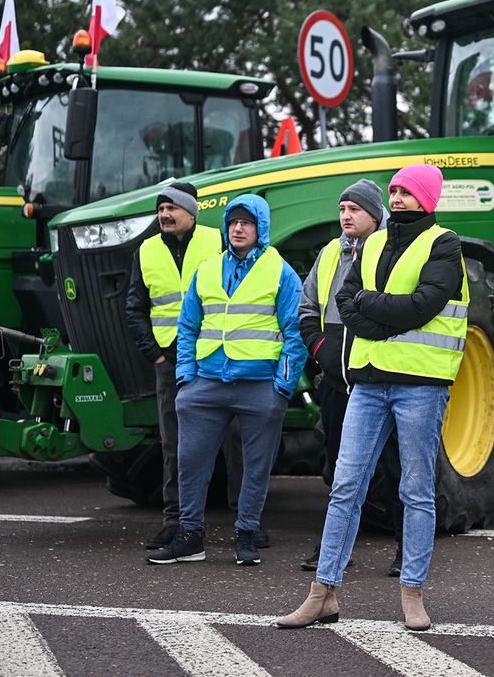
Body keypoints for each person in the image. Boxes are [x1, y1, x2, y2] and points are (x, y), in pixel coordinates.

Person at [276, 164, 466, 632]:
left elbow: (424, 304)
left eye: (407, 192)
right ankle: (323, 594)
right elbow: (345, 299)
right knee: (345, 487)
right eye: (395, 191)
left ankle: (412, 595)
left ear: (427, 199)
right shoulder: (372, 242)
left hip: (420, 383)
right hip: (368, 381)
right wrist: (379, 316)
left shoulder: (445, 243)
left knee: (416, 490)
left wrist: (373, 313)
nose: (397, 197)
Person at [146, 194, 305, 566]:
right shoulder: (208, 269)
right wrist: (186, 379)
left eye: (246, 222)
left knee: (255, 466)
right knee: (190, 462)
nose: (237, 228)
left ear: (260, 228)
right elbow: (187, 328)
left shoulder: (280, 271)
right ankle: (190, 536)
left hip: (260, 386)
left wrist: (281, 388)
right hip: (206, 384)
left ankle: (246, 533)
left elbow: (295, 334)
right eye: (233, 222)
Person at [124, 182, 254, 551]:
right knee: (174, 443)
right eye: (161, 208)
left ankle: (245, 522)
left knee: (234, 439)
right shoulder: (147, 250)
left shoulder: (217, 240)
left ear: (191, 212)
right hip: (170, 360)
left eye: (172, 208)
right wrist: (155, 353)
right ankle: (175, 521)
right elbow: (135, 307)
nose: (164, 214)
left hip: (215, 355)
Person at [296, 179, 404, 576]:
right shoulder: (329, 253)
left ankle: (404, 548)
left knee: (395, 468)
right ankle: (335, 548)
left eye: (355, 209)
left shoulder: (394, 250)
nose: (346, 216)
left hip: (382, 379)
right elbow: (307, 309)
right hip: (337, 380)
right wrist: (321, 351)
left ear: (376, 215)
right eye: (342, 209)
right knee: (337, 471)